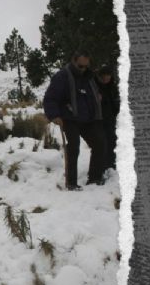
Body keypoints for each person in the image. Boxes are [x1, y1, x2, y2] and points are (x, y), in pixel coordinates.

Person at [43, 50, 106, 190]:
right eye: (80, 66)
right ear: (73, 61)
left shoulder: (89, 76)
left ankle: (95, 177)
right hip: (69, 118)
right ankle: (71, 182)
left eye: (85, 66)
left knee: (99, 143)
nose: (83, 69)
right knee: (73, 147)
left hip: (88, 118)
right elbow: (50, 98)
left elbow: (90, 94)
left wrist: (97, 98)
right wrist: (54, 115)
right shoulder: (62, 76)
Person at [96, 65, 120, 170]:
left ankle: (111, 163)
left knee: (112, 141)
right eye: (104, 77)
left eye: (108, 76)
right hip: (99, 119)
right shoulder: (95, 86)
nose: (106, 79)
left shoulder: (112, 86)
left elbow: (115, 101)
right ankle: (103, 165)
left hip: (111, 118)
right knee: (102, 142)